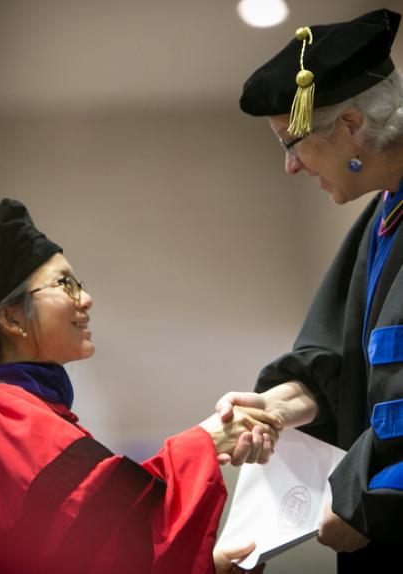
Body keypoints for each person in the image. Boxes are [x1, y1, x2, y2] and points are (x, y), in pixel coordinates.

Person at [0, 198, 281, 574]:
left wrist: (208, 566)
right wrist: (205, 441)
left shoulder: (20, 405)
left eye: (78, 284)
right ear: (11, 317)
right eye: (64, 284)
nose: (86, 298)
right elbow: (102, 526)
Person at [217, 7, 403, 573]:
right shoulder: (383, 221)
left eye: (291, 143)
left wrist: (378, 493)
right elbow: (344, 366)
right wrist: (278, 407)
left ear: (350, 124)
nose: (291, 167)